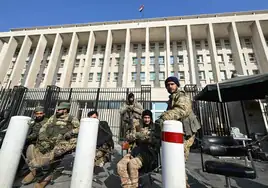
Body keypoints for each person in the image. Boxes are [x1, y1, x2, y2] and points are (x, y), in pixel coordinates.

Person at [21, 102, 80, 188]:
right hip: (49, 141)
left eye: (60, 109)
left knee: (54, 160)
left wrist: (71, 132)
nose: (57, 110)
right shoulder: (53, 117)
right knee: (37, 152)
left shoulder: (72, 118)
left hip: (61, 143)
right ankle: (34, 172)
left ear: (65, 110)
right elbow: (44, 127)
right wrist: (42, 137)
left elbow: (80, 128)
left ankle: (45, 179)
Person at [156, 76, 200, 188]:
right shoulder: (172, 98)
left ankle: (182, 184)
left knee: (178, 160)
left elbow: (182, 110)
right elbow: (170, 112)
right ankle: (182, 183)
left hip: (187, 132)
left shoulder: (182, 95)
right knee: (176, 160)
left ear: (177, 85)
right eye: (167, 85)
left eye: (172, 84)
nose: (170, 86)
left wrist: (164, 117)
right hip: (179, 132)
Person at [117, 110, 161, 188]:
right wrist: (137, 135)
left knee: (132, 164)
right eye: (145, 117)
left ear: (151, 118)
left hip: (148, 154)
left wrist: (147, 137)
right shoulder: (138, 127)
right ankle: (127, 185)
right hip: (135, 151)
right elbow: (128, 137)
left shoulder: (156, 127)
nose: (147, 120)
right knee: (120, 165)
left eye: (148, 118)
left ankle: (134, 185)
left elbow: (158, 141)